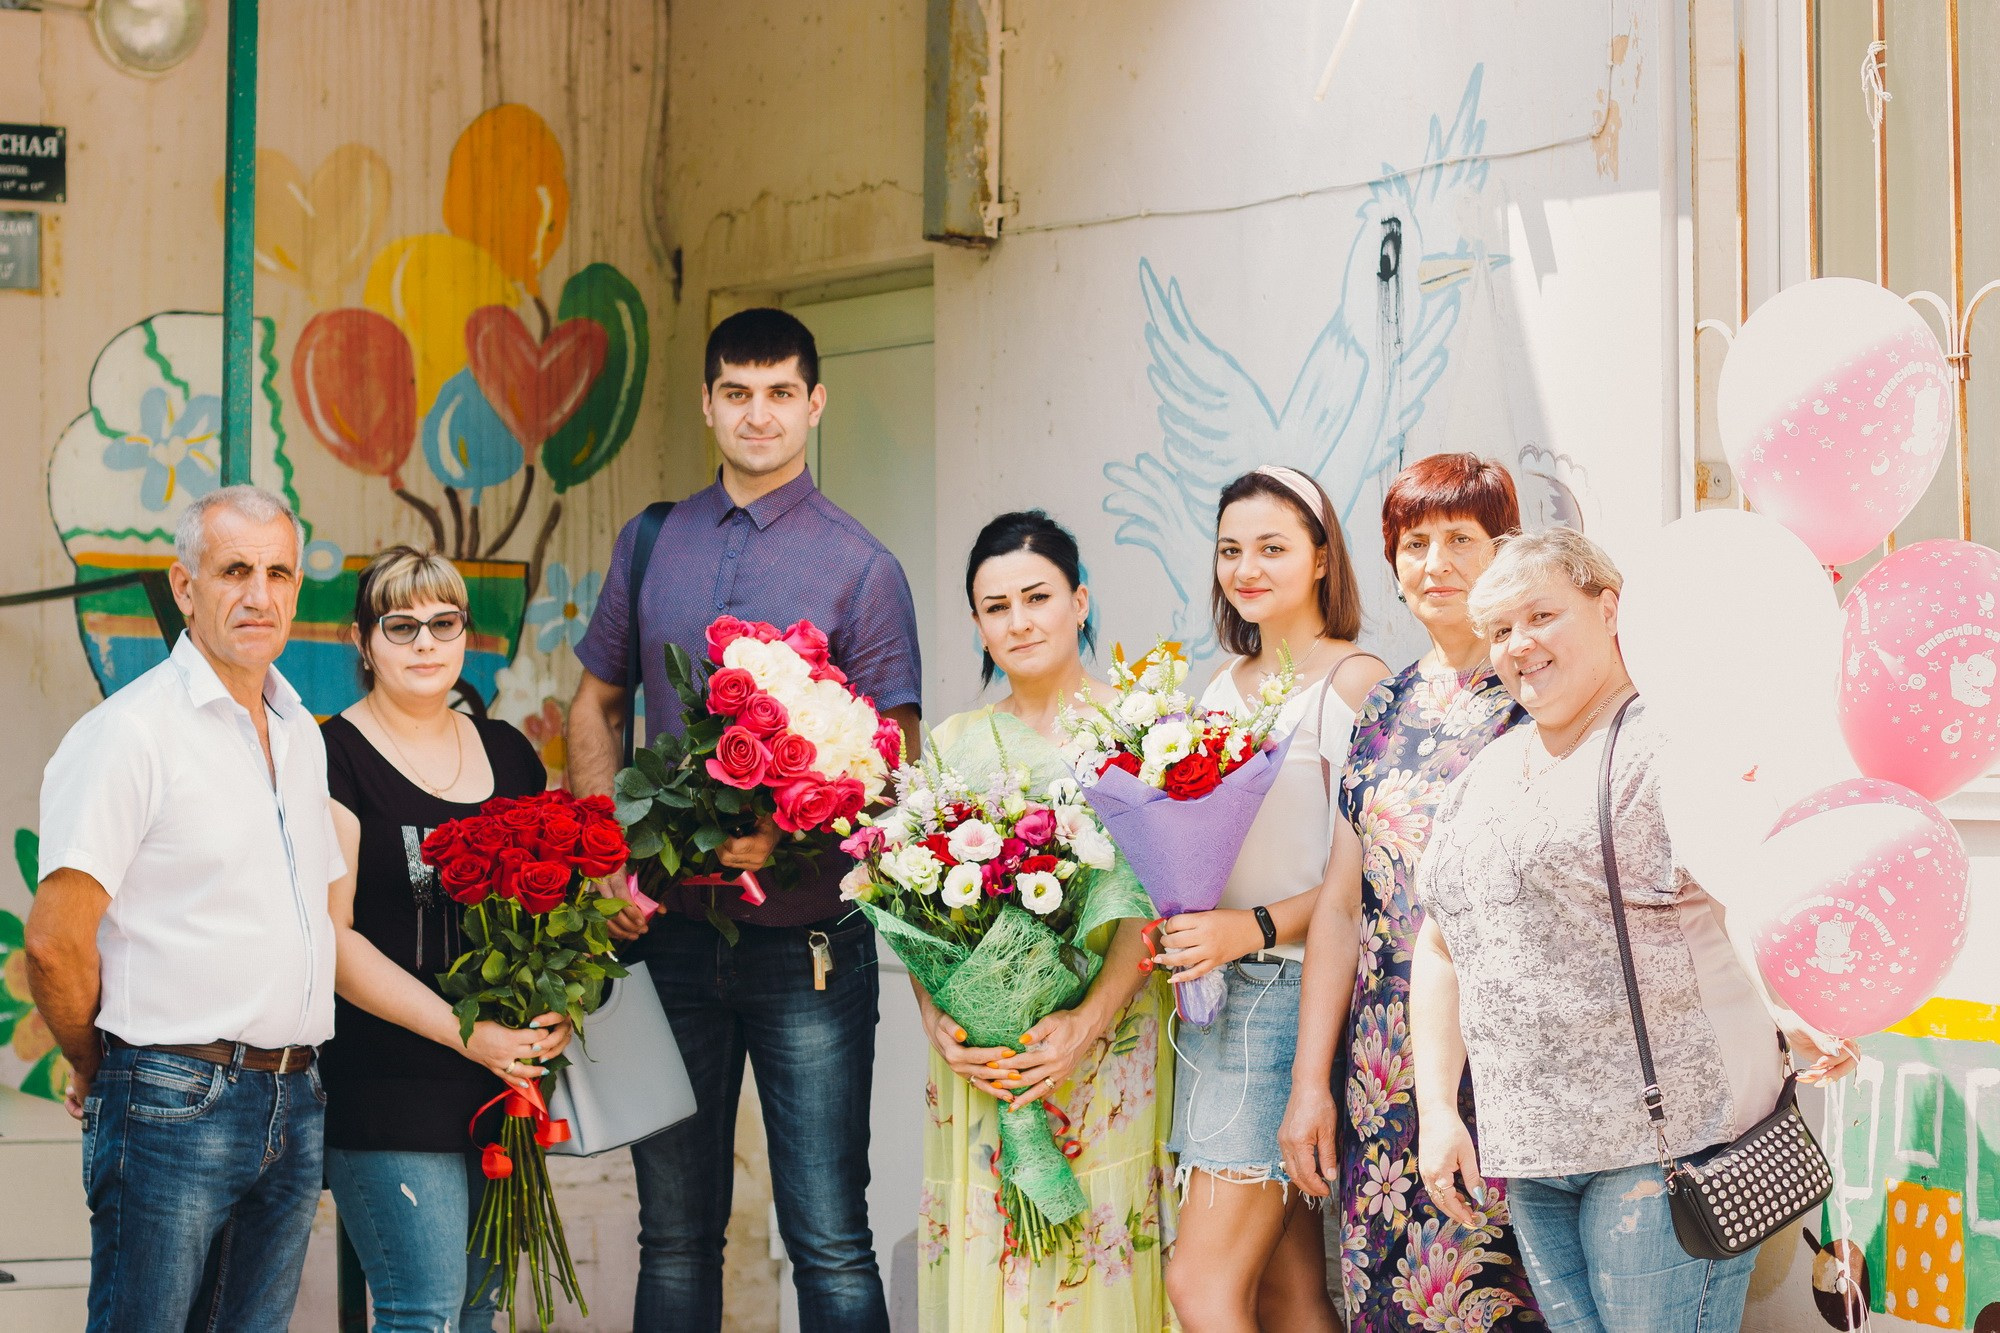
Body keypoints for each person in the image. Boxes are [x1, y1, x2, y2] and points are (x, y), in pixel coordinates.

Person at [567, 307, 921, 1332]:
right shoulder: (651, 542)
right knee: (672, 1236)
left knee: (827, 1238)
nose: (755, 414)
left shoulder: (861, 567)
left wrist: (792, 834)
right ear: (708, 404)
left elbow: (893, 761)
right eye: (735, 393)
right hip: (664, 938)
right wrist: (604, 860)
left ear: (814, 403)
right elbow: (595, 701)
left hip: (804, 947)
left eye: (777, 393)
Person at [1411, 526, 1859, 1333]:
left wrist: (1799, 1004)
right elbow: (1441, 944)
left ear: (1608, 606)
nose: (1520, 645)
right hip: (1533, 1149)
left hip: (1664, 1147)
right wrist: (1438, 1109)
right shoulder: (1482, 773)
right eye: (1501, 629)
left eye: (1541, 614)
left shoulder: (1671, 741)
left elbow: (1751, 886)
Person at [25, 486, 340, 1333]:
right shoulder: (131, 734)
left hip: (294, 1094)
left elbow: (313, 920)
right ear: (184, 585)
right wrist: (99, 1066)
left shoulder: (302, 735)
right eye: (234, 569)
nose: (259, 593)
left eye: (279, 572)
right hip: (172, 1092)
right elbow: (55, 942)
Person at [1277, 452, 1541, 1329]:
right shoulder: (1384, 704)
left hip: (1505, 1065)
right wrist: (1311, 1083)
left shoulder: (1540, 697)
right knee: (1388, 1300)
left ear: (1503, 551)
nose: (1436, 564)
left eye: (1461, 539)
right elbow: (1342, 907)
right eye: (1414, 542)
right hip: (1381, 1076)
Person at [915, 510, 1176, 1329]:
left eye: (1038, 596)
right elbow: (914, 911)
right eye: (996, 606)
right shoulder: (953, 743)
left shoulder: (1137, 731)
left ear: (1080, 600)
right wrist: (942, 1024)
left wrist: (1084, 1025)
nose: (1019, 621)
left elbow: (1155, 903)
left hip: (1106, 1041)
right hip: (989, 1064)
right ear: (976, 623)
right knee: (991, 1250)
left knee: (1097, 1249)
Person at [318, 547, 573, 1331]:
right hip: (389, 1083)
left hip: (501, 1088)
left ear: (465, 634)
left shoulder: (509, 753)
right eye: (400, 625)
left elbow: (552, 916)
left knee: (476, 1312)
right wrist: (473, 1037)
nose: (425, 642)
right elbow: (334, 941)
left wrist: (560, 1004)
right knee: (422, 1312)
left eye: (443, 622)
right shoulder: (334, 755)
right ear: (364, 641)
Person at [1157, 466, 1387, 1333]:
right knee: (1288, 1292)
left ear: (1323, 558)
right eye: (1229, 549)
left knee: (1200, 1286)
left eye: (1273, 547)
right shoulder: (1221, 684)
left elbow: (1356, 880)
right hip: (1219, 996)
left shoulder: (1355, 682)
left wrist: (1243, 927)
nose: (1246, 567)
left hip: (1289, 994)